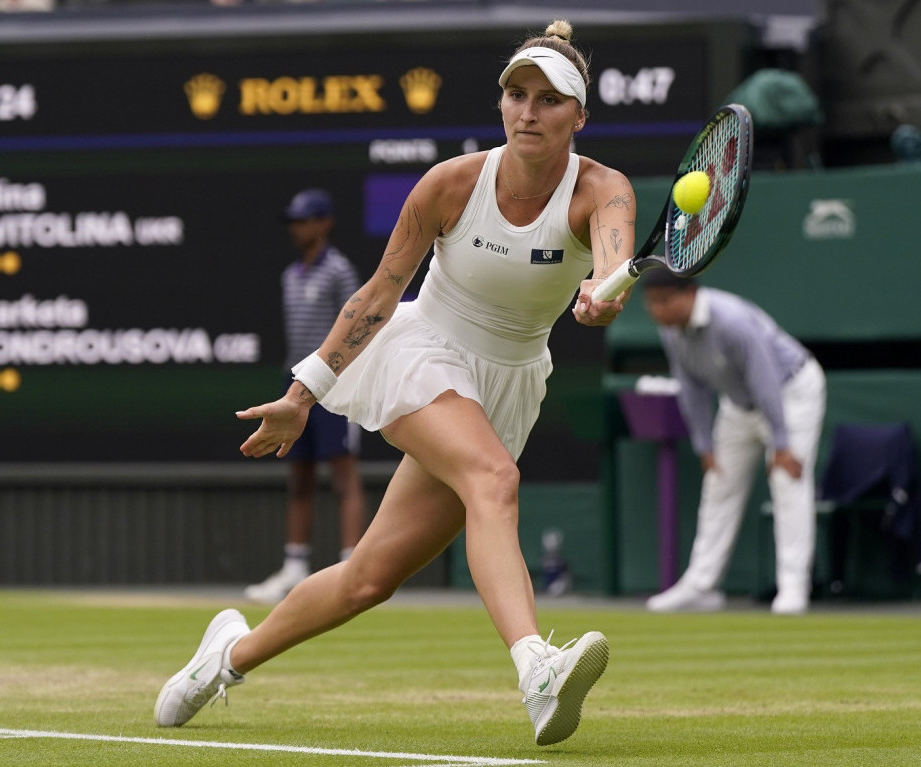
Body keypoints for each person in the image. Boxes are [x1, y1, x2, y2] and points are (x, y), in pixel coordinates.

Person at [155, 20, 633, 746]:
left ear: (579, 116)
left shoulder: (603, 190)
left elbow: (610, 264)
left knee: (369, 579)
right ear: (501, 103)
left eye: (549, 100)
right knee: (493, 477)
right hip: (423, 349)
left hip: (509, 379)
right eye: (516, 95)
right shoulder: (450, 183)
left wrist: (602, 294)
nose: (528, 112)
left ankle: (225, 657)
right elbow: (378, 293)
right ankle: (536, 668)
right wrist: (303, 394)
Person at [639, 270, 825, 616]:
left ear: (689, 294)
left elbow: (765, 379)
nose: (658, 310)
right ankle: (701, 586)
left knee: (787, 481)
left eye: (665, 301)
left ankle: (793, 587)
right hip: (738, 404)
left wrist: (782, 442)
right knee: (719, 485)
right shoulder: (670, 331)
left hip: (790, 392)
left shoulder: (732, 321)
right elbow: (691, 387)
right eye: (651, 303)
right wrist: (704, 445)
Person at [243, 189, 367, 604]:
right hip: (293, 382)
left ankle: (352, 567)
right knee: (299, 476)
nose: (297, 228)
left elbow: (358, 326)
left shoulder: (339, 271)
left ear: (325, 223)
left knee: (344, 476)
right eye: (293, 221)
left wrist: (339, 375)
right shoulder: (290, 275)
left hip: (334, 384)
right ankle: (294, 568)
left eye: (305, 220)